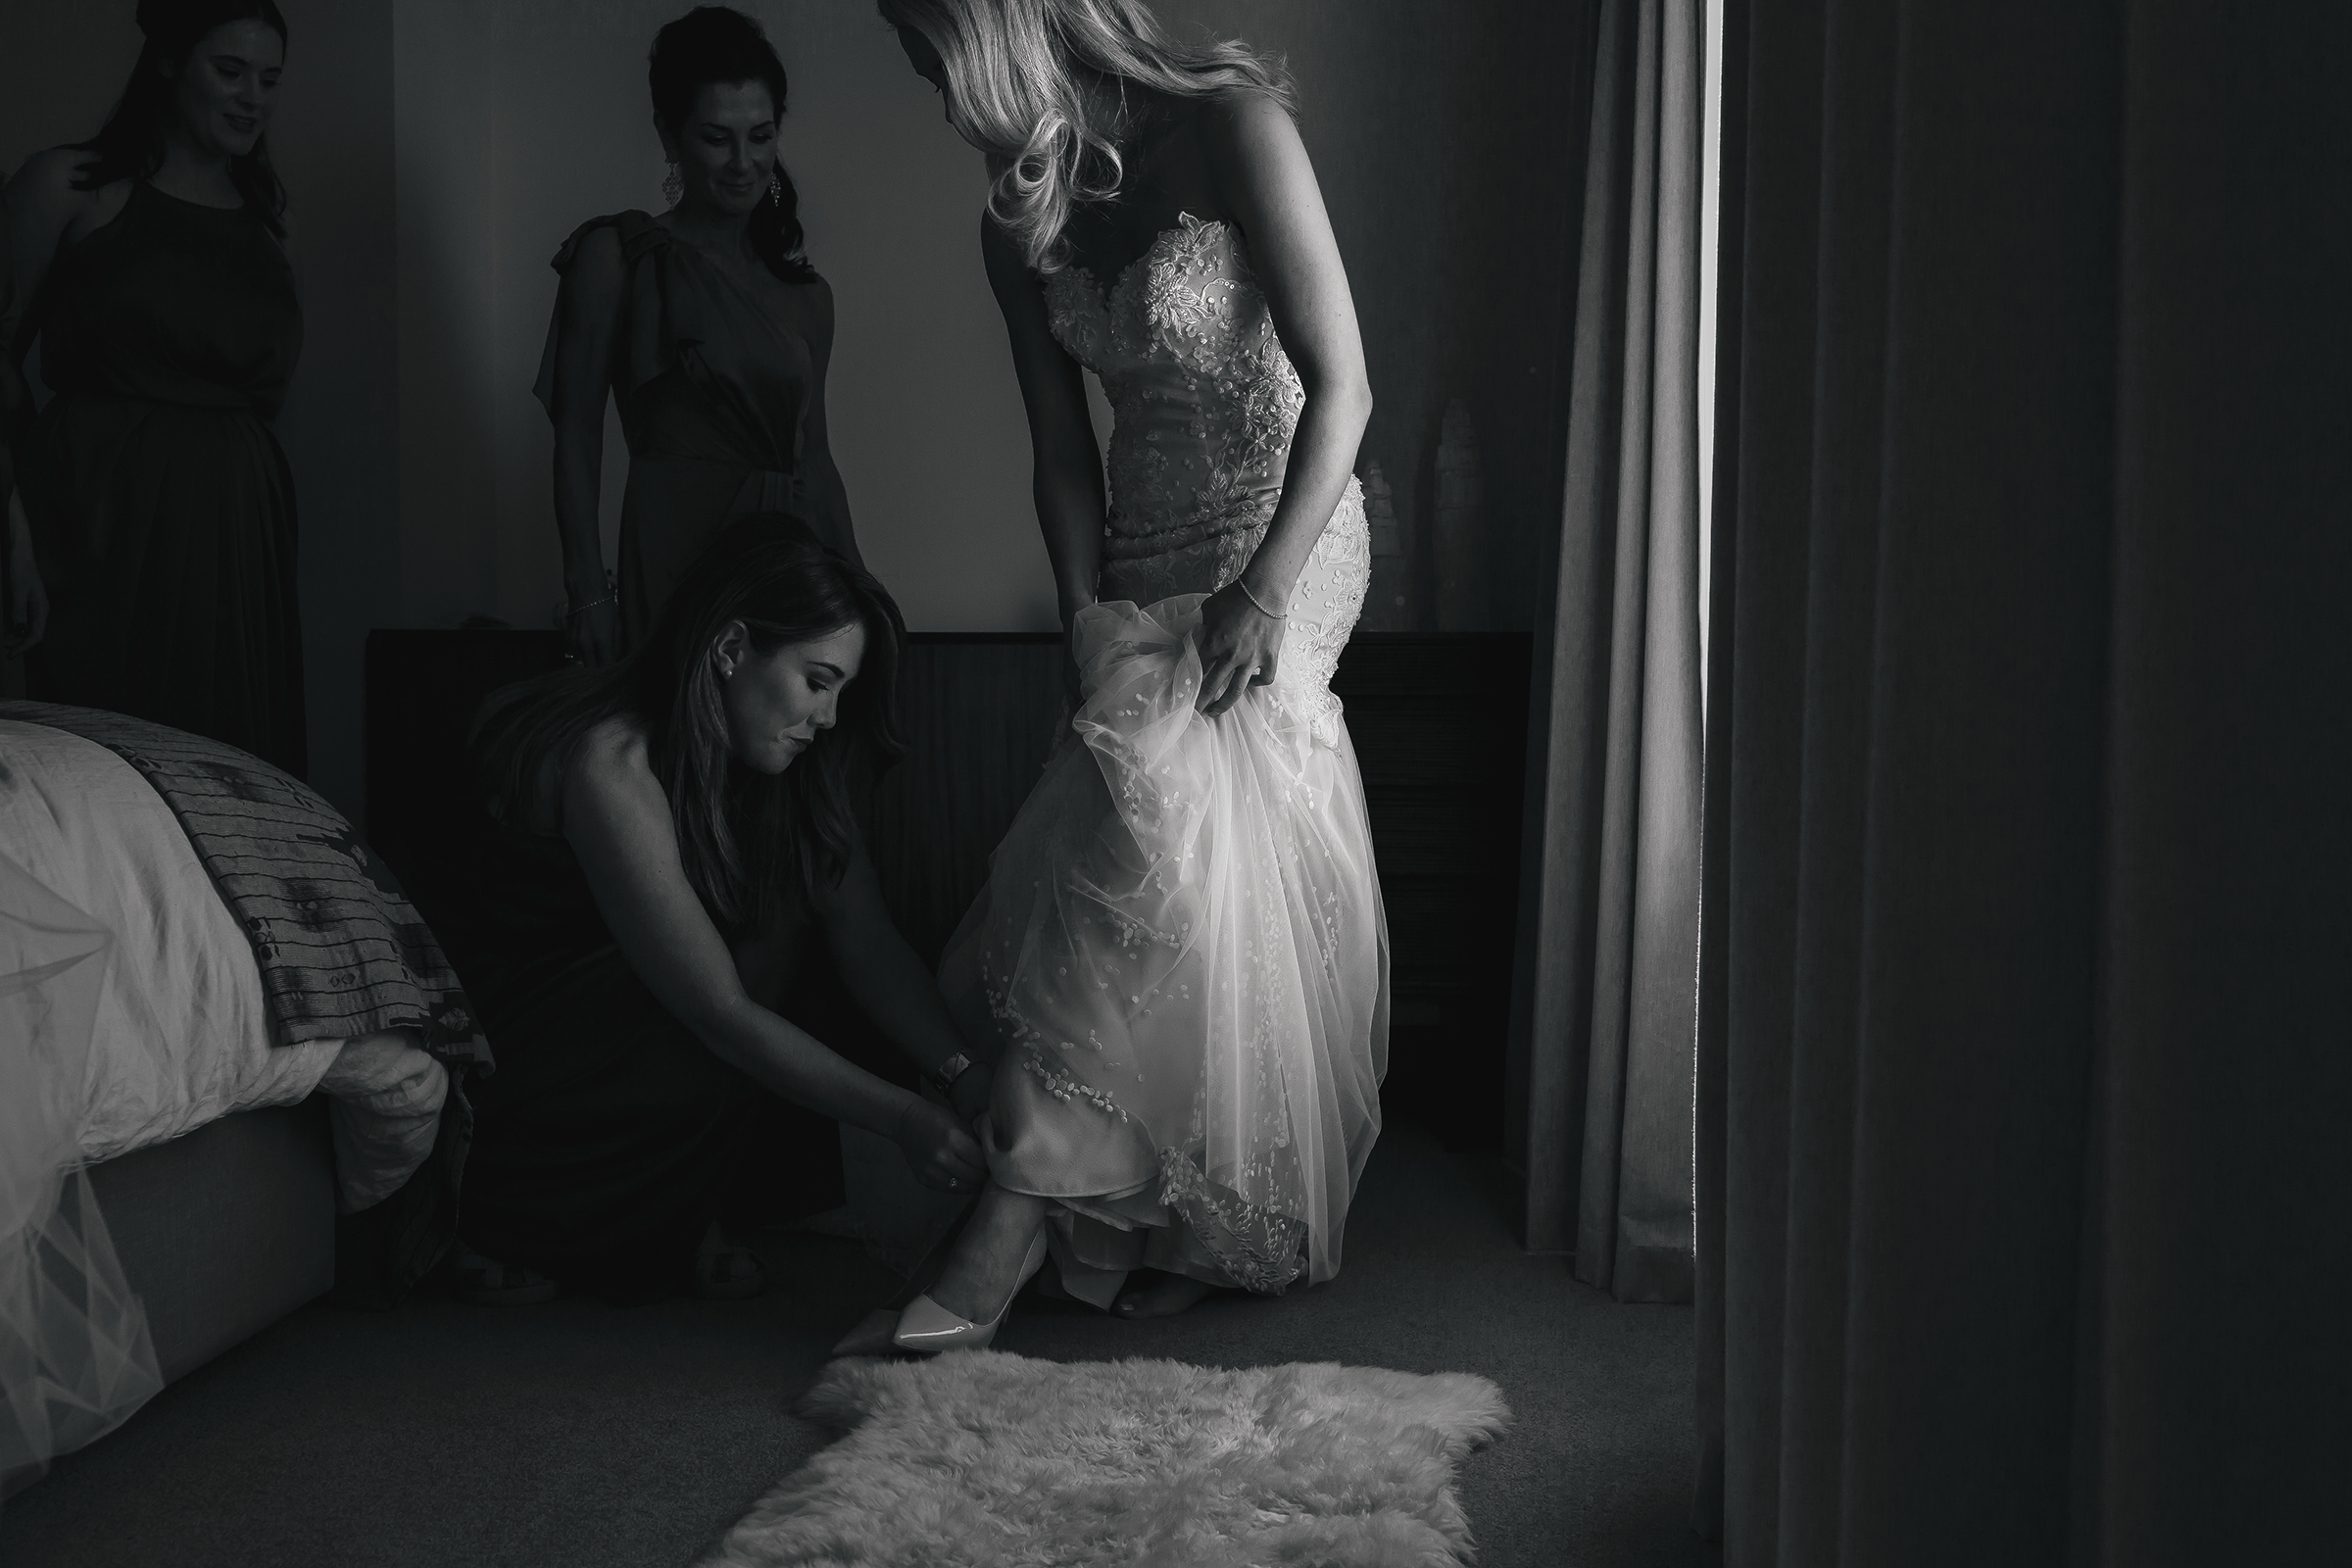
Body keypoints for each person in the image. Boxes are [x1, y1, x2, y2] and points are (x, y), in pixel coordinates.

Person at [879, 0, 1388, 1351]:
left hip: (1285, 529)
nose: (933, 90)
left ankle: (1019, 1206)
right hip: (1136, 555)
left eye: (930, 51)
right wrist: (1077, 610)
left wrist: (1264, 591)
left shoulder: (1234, 127)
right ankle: (1177, 1210)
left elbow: (1343, 388)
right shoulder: (1016, 214)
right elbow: (1059, 448)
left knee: (1180, 794)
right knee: (1152, 851)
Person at [443, 517, 994, 1304]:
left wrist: (964, 1075)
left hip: (659, 1023)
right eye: (817, 680)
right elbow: (718, 1010)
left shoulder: (787, 770)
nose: (830, 717)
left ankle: (680, 1206)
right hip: (525, 1040)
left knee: (788, 903)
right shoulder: (609, 760)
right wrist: (904, 1119)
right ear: (731, 649)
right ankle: (501, 1216)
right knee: (744, 967)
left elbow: (867, 938)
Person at [1, 0, 307, 776]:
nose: (252, 97)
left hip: (237, 530)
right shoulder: (67, 185)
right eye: (230, 70)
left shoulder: (262, 220)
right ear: (169, 64)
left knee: (229, 772)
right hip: (98, 512)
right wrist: (10, 528)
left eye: (269, 79)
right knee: (103, 758)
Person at [538, 5, 859, 667]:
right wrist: (587, 592)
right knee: (678, 749)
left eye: (761, 135)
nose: (744, 163)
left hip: (784, 564)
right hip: (672, 555)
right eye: (718, 138)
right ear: (669, 135)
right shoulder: (618, 257)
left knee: (780, 757)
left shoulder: (807, 298)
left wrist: (860, 591)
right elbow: (576, 438)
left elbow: (817, 465)